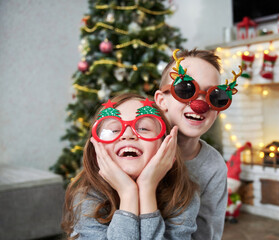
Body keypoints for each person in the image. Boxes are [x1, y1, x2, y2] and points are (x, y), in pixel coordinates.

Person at [62, 93, 199, 240]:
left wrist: (147, 187)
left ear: (166, 144)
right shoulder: (86, 198)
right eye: (114, 130)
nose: (128, 135)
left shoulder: (183, 197)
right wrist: (128, 193)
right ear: (96, 147)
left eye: (144, 128)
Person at [155, 49, 241, 239]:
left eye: (215, 96)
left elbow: (207, 234)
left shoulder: (214, 166)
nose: (200, 104)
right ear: (161, 101)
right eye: (186, 89)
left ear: (217, 111)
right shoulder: (134, 151)